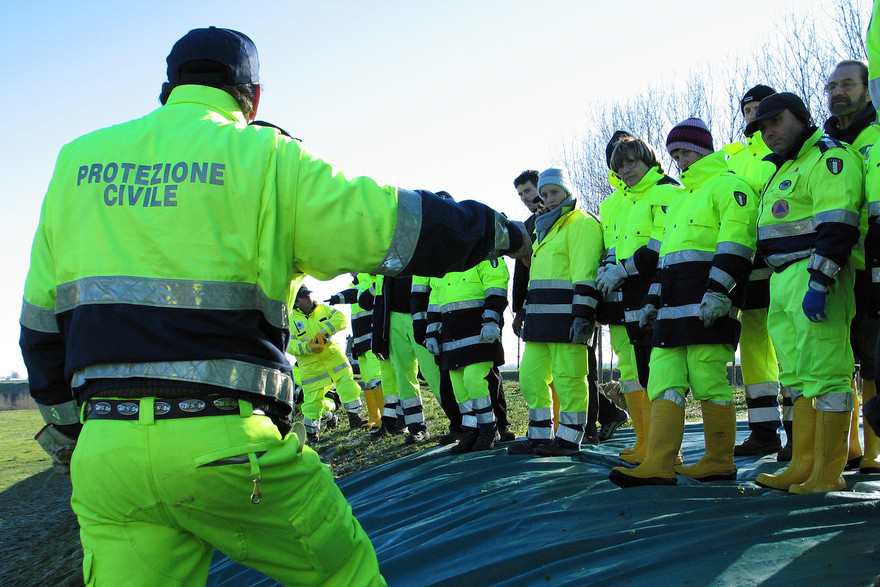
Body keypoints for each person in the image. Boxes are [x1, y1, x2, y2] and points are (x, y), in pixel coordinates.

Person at [19, 27, 530, 586]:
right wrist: (500, 232)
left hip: (107, 457)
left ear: (167, 88)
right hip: (230, 446)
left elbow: (40, 330)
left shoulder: (77, 163)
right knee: (344, 572)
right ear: (253, 97)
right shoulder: (267, 157)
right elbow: (391, 224)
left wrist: (75, 438)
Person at [609, 118, 757, 488]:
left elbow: (737, 245)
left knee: (708, 379)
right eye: (675, 154)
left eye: (687, 151)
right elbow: (666, 262)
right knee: (663, 381)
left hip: (708, 306)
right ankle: (659, 463)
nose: (681, 160)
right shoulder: (681, 199)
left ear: (705, 148)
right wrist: (652, 302)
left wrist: (720, 291)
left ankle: (719, 460)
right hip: (670, 313)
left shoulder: (729, 187)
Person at [747, 92, 863, 493]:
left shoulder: (829, 158)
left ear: (799, 117)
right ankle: (804, 463)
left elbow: (839, 224)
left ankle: (829, 472)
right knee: (796, 378)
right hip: (782, 281)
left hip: (814, 276)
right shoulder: (781, 170)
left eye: (775, 122)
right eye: (761, 128)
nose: (768, 133)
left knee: (828, 377)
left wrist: (820, 282)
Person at [508, 168, 604, 456]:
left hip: (567, 319)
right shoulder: (542, 227)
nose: (548, 199)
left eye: (555, 193)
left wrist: (583, 316)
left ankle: (570, 438)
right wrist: (524, 311)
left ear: (567, 192)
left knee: (570, 377)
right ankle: (539, 435)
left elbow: (585, 272)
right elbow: (536, 278)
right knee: (530, 377)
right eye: (545, 194)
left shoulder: (582, 224)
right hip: (539, 321)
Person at [600, 135, 680, 464]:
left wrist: (623, 269)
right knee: (645, 374)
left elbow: (660, 247)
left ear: (649, 158)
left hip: (660, 294)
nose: (626, 170)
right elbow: (616, 246)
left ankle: (663, 454)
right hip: (633, 298)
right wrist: (611, 272)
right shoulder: (626, 202)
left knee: (665, 377)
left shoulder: (666, 191)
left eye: (632, 161)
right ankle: (650, 446)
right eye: (619, 166)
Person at [724, 85, 788, 459]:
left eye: (760, 108)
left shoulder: (785, 149)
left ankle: (801, 434)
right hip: (747, 265)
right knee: (754, 351)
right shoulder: (732, 156)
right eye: (747, 109)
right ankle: (764, 432)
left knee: (789, 344)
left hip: (783, 260)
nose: (752, 114)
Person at [823, 60, 880, 473]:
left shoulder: (875, 139)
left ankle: (875, 452)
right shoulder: (826, 147)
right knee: (844, 361)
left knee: (875, 360)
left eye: (847, 84)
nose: (837, 91)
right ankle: (850, 447)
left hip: (871, 269)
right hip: (837, 271)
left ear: (867, 89)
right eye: (831, 86)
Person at [424, 256, 509, 452]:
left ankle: (489, 428)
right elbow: (434, 303)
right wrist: (431, 334)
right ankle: (471, 430)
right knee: (459, 388)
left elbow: (496, 288)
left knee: (474, 380)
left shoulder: (484, 256)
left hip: (478, 334)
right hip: (451, 337)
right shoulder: (440, 266)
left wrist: (491, 321)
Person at [288, 285, 366, 441]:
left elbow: (341, 319)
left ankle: (354, 417)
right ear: (297, 302)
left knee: (348, 385)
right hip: (311, 368)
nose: (310, 297)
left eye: (309, 293)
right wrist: (307, 347)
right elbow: (289, 344)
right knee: (312, 402)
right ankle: (311, 433)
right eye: (305, 296)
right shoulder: (290, 321)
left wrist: (324, 331)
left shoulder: (324, 309)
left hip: (334, 359)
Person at [327, 273, 384, 427]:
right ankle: (375, 417)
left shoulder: (367, 280)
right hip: (361, 340)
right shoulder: (356, 284)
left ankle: (387, 417)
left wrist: (337, 297)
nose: (350, 271)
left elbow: (354, 294)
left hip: (372, 337)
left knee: (375, 377)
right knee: (367, 380)